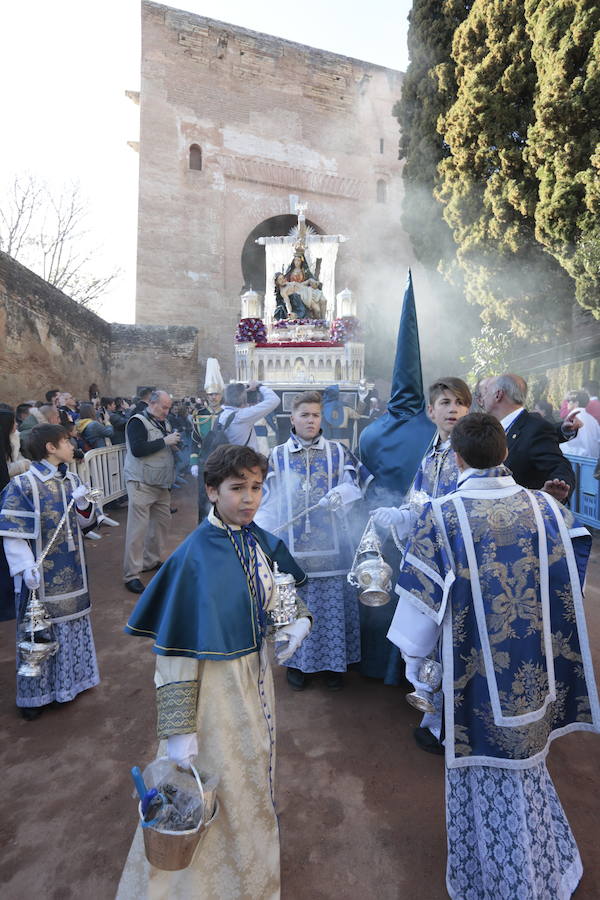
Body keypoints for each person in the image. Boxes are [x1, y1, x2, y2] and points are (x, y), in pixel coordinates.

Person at [387, 412, 599, 899]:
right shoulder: (545, 507)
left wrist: (419, 673)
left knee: (486, 771)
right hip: (535, 673)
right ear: (505, 453)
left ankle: (503, 881)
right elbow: (573, 567)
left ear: (456, 457)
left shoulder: (440, 515)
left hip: (475, 677)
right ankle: (550, 866)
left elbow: (418, 613)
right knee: (529, 768)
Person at [117, 444, 311, 899]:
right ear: (211, 491)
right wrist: (179, 733)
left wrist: (299, 619)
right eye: (237, 488)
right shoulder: (195, 557)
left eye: (257, 488)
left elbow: (280, 589)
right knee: (213, 793)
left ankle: (248, 876)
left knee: (251, 784)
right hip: (213, 699)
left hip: (255, 683)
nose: (249, 499)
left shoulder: (256, 538)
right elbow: (175, 657)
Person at [371, 376, 472, 752]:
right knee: (428, 648)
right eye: (445, 403)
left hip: (459, 569)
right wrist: (400, 516)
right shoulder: (432, 454)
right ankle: (435, 719)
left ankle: (452, 726)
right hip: (431, 566)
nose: (453, 410)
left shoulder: (472, 454)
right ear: (431, 411)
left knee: (454, 647)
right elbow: (419, 503)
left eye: (460, 403)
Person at [255, 390, 372, 691]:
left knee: (330, 608)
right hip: (291, 550)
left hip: (333, 548)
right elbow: (266, 500)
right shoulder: (277, 455)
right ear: (292, 418)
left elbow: (356, 483)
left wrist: (341, 494)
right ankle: (296, 663)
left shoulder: (337, 451)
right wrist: (262, 538)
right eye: (304, 415)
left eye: (315, 415)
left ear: (322, 418)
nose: (310, 420)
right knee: (294, 606)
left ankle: (334, 665)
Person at [0, 424, 100, 719]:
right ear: (50, 447)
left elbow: (87, 525)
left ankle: (70, 685)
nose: (72, 446)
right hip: (38, 578)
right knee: (38, 632)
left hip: (73, 573)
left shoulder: (72, 479)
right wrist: (23, 567)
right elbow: (12, 533)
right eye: (66, 441)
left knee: (70, 625)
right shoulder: (23, 484)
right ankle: (36, 697)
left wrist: (84, 506)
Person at [477, 373, 576, 501]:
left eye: (486, 392)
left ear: (498, 395)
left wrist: (558, 487)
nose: (482, 398)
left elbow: (559, 466)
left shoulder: (535, 428)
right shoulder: (491, 427)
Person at [122, 390, 181, 594]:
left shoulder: (162, 422)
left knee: (162, 525)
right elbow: (138, 449)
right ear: (152, 403)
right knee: (137, 529)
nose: (167, 411)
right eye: (164, 407)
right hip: (141, 482)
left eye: (168, 407)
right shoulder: (137, 421)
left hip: (161, 484)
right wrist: (166, 441)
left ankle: (150, 560)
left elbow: (157, 446)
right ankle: (132, 574)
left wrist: (173, 445)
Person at [190, 358, 226, 521]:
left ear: (221, 395)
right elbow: (195, 441)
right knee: (203, 499)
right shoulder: (200, 414)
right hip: (204, 463)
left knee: (223, 499)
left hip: (223, 463)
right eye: (211, 394)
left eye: (216, 394)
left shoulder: (227, 413)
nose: (213, 397)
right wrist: (193, 464)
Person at [217, 380, 280, 451]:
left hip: (228, 458)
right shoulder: (243, 416)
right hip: (245, 459)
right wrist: (259, 386)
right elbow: (274, 399)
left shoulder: (221, 415)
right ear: (243, 400)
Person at [559, 390, 600, 458]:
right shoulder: (592, 418)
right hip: (594, 457)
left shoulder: (572, 416)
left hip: (579, 457)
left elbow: (567, 439)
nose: (567, 403)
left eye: (569, 401)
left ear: (576, 403)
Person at [0, 407, 30, 477]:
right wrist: (23, 465)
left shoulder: (14, 437)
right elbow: (4, 470)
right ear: (6, 424)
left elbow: (17, 455)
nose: (16, 424)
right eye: (13, 422)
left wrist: (26, 463)